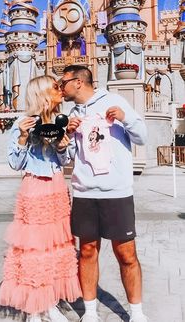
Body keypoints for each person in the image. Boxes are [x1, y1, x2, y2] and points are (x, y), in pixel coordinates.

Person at [57, 65, 148, 322]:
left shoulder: (114, 101)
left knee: (126, 253)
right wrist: (67, 138)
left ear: (78, 82)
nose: (60, 88)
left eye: (62, 82)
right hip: (84, 193)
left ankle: (137, 313)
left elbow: (142, 137)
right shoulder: (71, 114)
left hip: (116, 192)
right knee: (86, 251)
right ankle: (90, 311)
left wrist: (124, 118)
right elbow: (69, 158)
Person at [0, 75, 81, 322]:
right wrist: (23, 138)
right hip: (34, 189)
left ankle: (51, 301)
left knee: (57, 247)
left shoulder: (61, 122)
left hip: (56, 188)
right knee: (35, 249)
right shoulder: (22, 123)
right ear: (43, 94)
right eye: (55, 88)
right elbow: (15, 163)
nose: (60, 91)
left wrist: (63, 146)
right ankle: (34, 306)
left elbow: (67, 161)